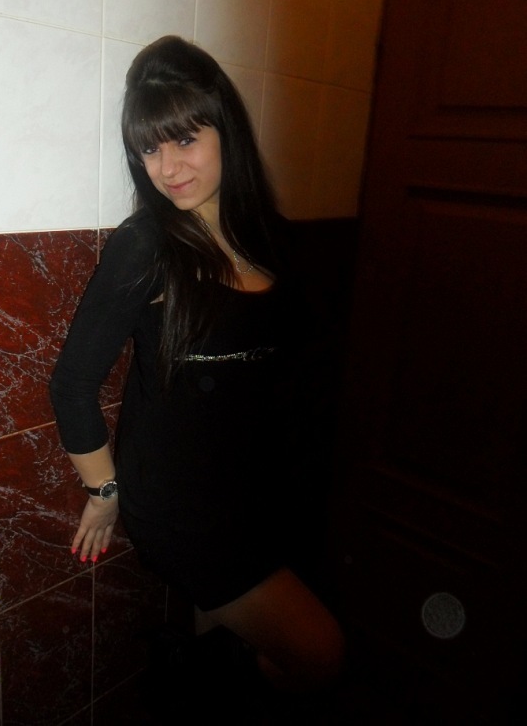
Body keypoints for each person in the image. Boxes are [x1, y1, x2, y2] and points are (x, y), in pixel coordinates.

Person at [49, 36, 344, 699]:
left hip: (252, 487)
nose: (168, 167)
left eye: (185, 139)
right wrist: (105, 493)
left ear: (225, 130)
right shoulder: (146, 245)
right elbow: (71, 383)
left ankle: (196, 678)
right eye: (149, 148)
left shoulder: (269, 236)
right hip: (177, 504)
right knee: (321, 649)